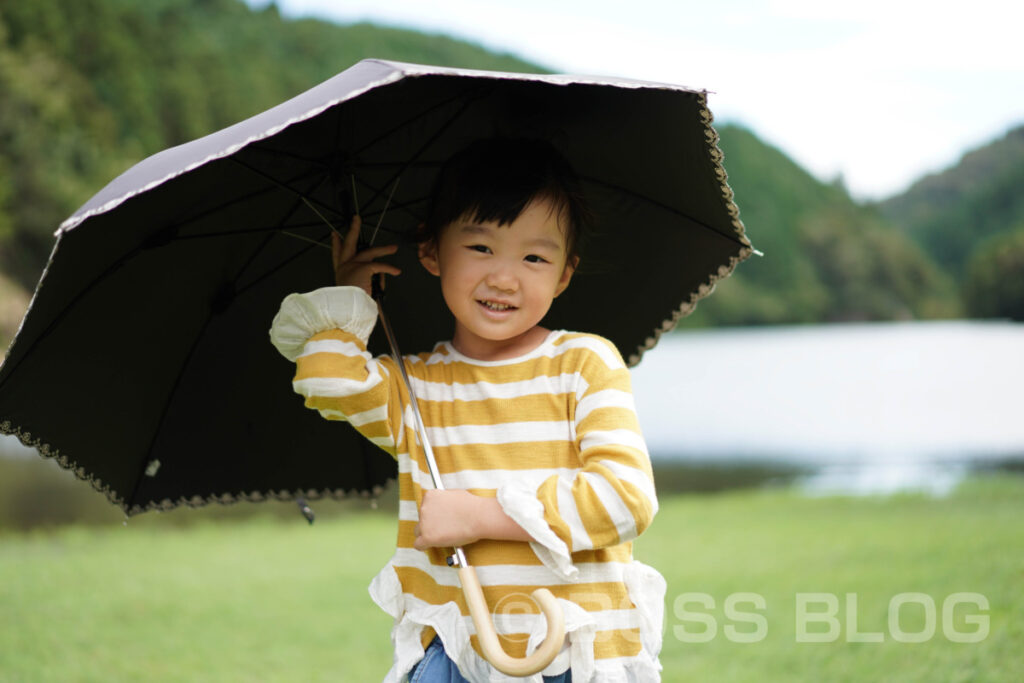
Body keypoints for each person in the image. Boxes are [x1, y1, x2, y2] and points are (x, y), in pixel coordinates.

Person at [270, 139, 665, 682]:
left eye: (534, 257)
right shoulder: (416, 386)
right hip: (455, 655)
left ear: (564, 273)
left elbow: (625, 498)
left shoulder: (583, 363)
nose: (504, 278)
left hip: (577, 653)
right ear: (432, 252)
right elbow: (327, 381)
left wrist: (482, 518)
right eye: (481, 248)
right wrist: (352, 299)